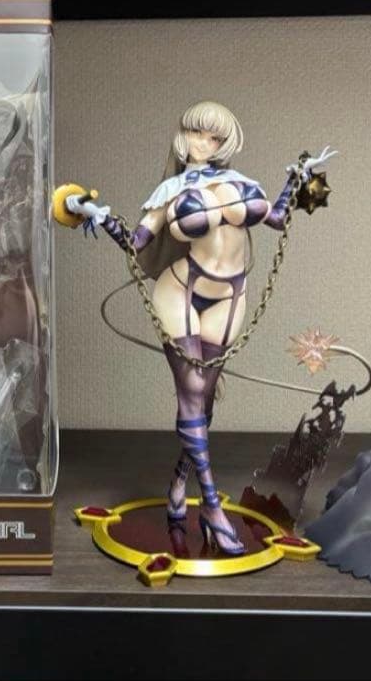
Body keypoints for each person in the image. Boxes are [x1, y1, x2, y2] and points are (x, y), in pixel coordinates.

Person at [65, 100, 336, 555]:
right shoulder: (171, 190)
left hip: (231, 296)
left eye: (214, 136)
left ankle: (179, 485)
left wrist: (296, 178)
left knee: (203, 402)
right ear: (183, 135)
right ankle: (211, 507)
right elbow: (136, 242)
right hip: (181, 290)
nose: (203, 143)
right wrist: (96, 214)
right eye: (195, 132)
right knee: (191, 392)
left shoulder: (241, 183)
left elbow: (274, 218)